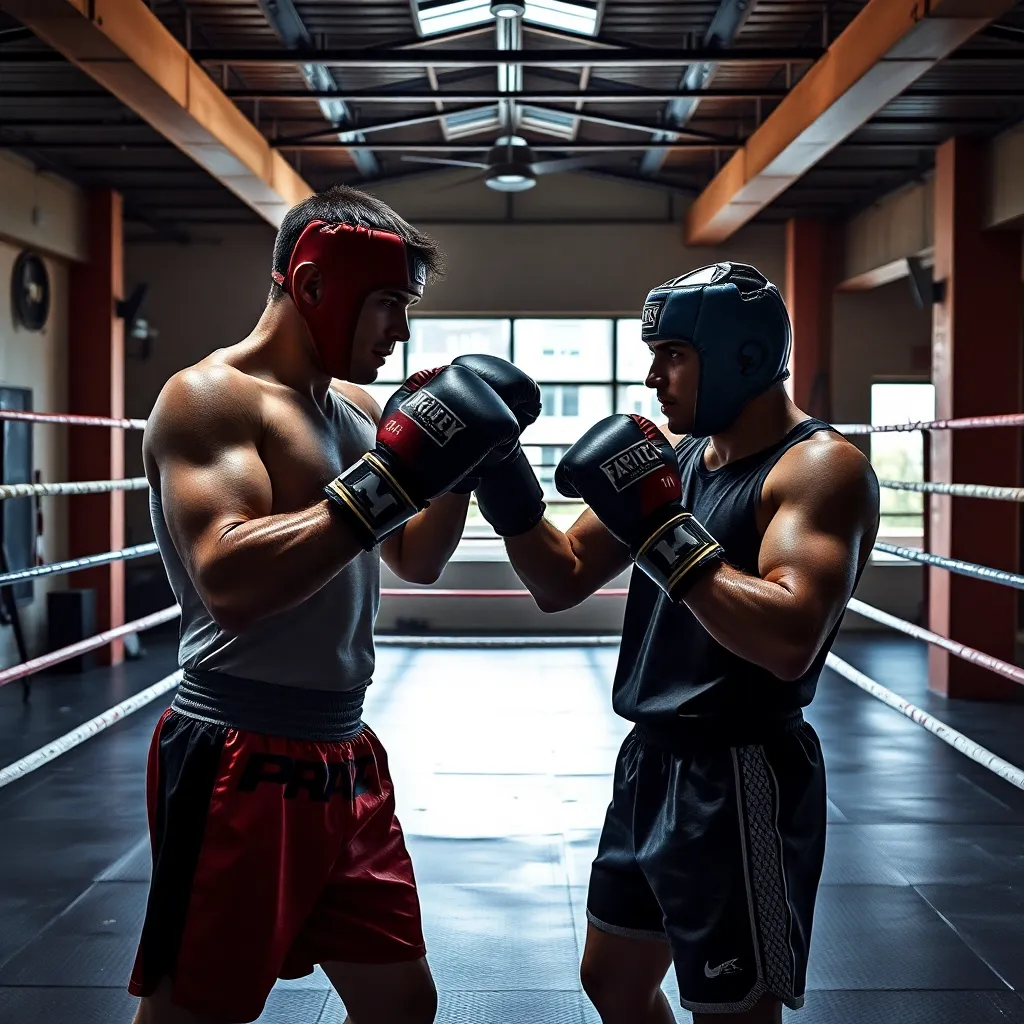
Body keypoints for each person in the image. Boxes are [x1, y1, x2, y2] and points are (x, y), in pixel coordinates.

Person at [130, 185, 540, 1024]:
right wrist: (392, 482)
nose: (402, 331)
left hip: (344, 752)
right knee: (197, 1009)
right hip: (237, 752)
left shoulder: (352, 410)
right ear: (312, 285)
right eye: (389, 304)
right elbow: (231, 580)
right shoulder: (211, 399)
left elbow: (416, 557)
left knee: (401, 1004)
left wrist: (454, 466)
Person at [467, 263, 880, 1023]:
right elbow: (560, 578)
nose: (653, 377)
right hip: (651, 761)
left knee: (732, 1009)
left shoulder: (819, 469)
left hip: (740, 772)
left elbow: (791, 635)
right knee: (614, 979)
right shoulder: (681, 461)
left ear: (745, 360)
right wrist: (502, 475)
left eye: (674, 356)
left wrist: (661, 530)